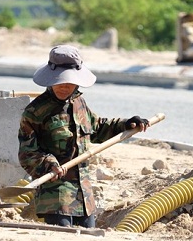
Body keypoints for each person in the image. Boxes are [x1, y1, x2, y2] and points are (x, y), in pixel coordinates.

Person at [18, 45, 149, 228]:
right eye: (60, 82)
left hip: (84, 193)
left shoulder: (78, 103)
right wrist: (49, 163)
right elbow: (27, 153)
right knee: (64, 239)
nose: (65, 87)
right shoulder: (35, 112)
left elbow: (97, 128)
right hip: (56, 196)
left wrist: (126, 124)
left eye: (70, 83)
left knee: (89, 239)